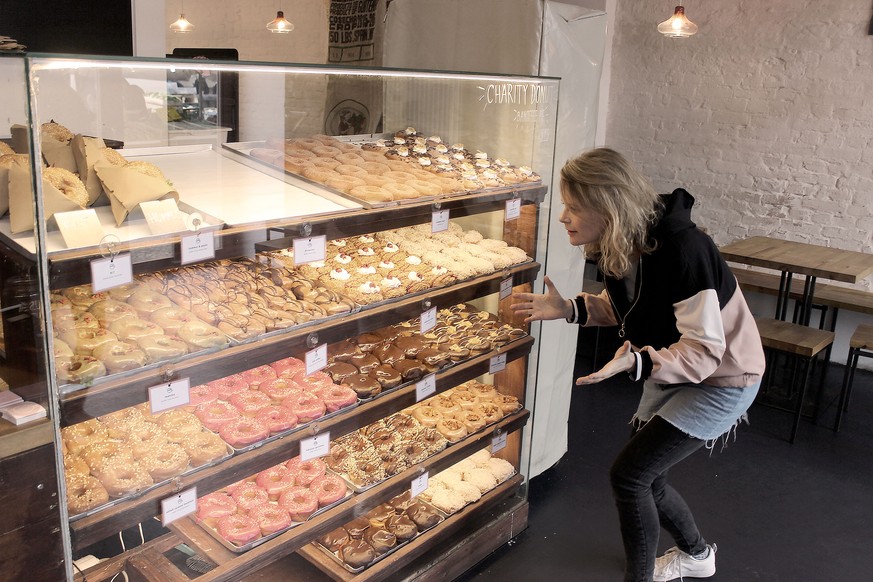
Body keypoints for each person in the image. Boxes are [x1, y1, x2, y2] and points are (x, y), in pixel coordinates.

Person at [511, 148, 765, 582]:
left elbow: (704, 353)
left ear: (608, 206)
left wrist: (635, 364)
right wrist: (571, 308)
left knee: (630, 477)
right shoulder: (618, 243)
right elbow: (631, 304)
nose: (563, 217)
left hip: (722, 378)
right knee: (647, 476)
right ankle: (698, 556)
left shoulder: (686, 251)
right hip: (669, 366)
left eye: (574, 207)